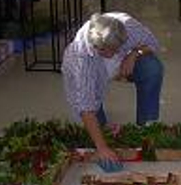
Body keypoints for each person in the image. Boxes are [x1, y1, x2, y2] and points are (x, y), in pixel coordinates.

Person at [62, 12, 163, 168]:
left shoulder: (127, 25)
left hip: (122, 66)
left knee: (152, 68)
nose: (114, 54)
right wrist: (102, 148)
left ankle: (146, 127)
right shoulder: (80, 61)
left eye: (118, 48)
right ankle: (102, 127)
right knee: (96, 134)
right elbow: (85, 108)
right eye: (110, 51)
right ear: (97, 47)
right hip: (90, 78)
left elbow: (153, 44)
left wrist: (135, 54)